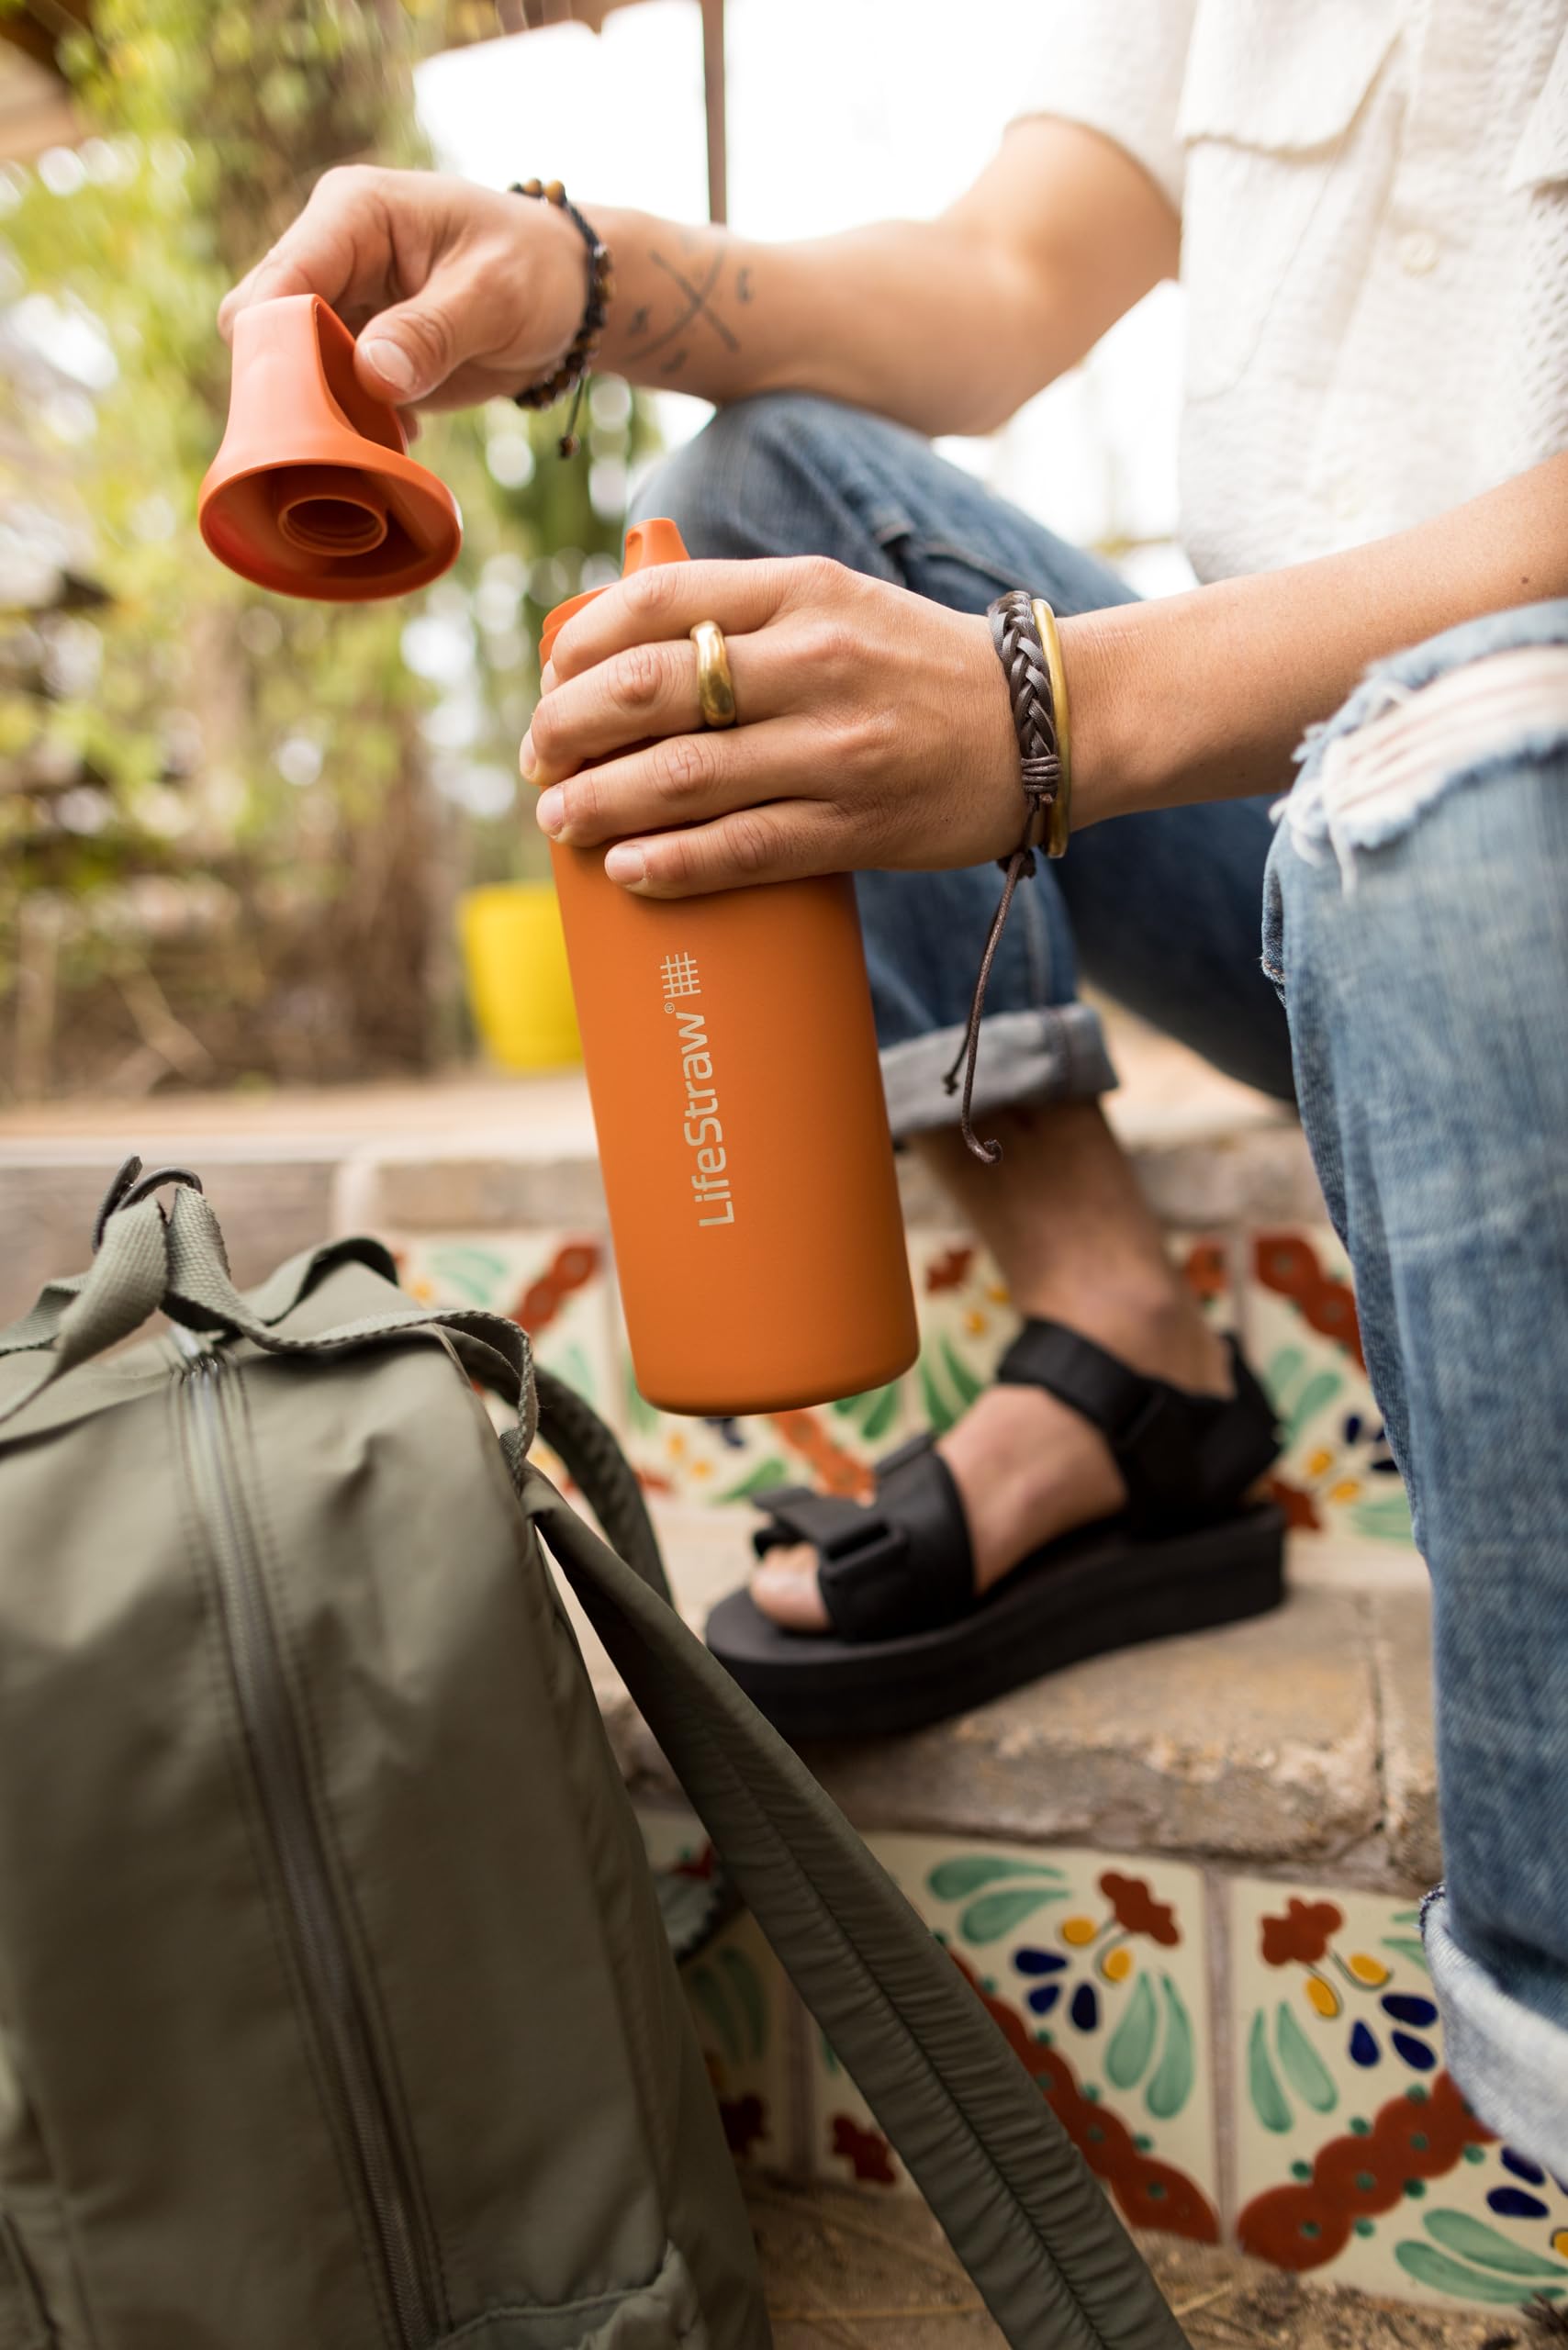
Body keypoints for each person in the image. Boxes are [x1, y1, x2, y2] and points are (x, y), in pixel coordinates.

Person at [223, 2, 1568, 2165]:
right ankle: (1127, 1354)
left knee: (1478, 805)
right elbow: (1002, 287)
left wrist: (1051, 707)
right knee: (757, 496)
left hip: (1524, 839)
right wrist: (571, 273)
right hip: (1285, 818)